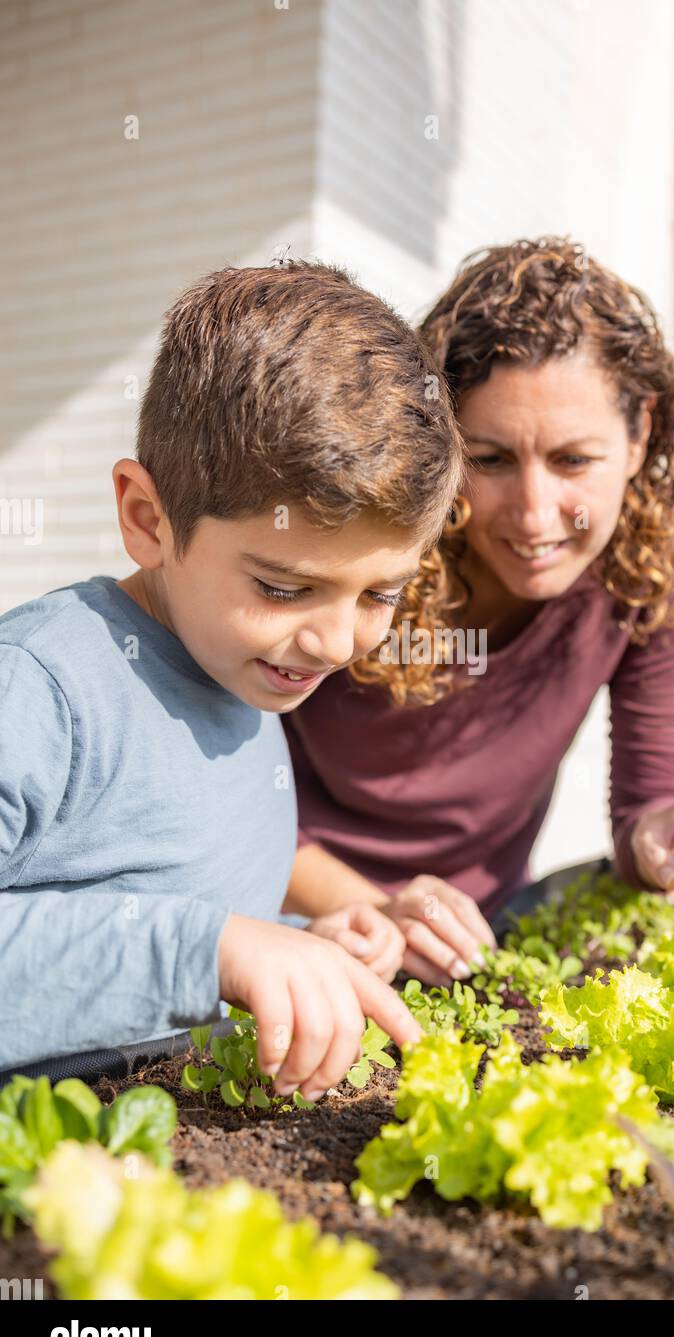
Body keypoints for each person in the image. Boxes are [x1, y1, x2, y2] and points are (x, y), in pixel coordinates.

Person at [0, 259, 473, 1091]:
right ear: (148, 519)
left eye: (379, 594)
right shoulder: (42, 687)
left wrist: (302, 937)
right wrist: (210, 951)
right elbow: (182, 945)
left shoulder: (248, 674)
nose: (333, 641)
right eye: (284, 587)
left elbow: (189, 902)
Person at [283, 238, 674, 983]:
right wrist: (373, 910)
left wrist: (673, 836)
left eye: (574, 460)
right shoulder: (376, 537)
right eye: (490, 460)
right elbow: (218, 790)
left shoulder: (668, 555)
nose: (537, 516)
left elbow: (646, 805)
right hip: (294, 912)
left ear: (639, 433)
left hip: (484, 931)